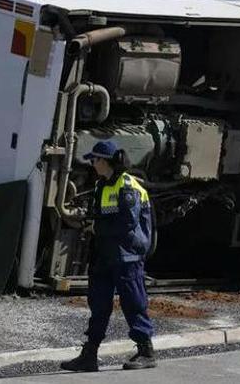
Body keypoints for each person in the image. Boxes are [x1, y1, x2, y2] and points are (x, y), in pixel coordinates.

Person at [61, 140, 157, 372]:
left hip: (127, 256)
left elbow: (127, 223)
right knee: (99, 305)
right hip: (106, 255)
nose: (92, 164)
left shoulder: (127, 186)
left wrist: (97, 228)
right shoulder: (102, 185)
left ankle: (146, 352)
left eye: (94, 160)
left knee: (134, 303)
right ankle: (90, 354)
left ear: (105, 161)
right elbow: (105, 216)